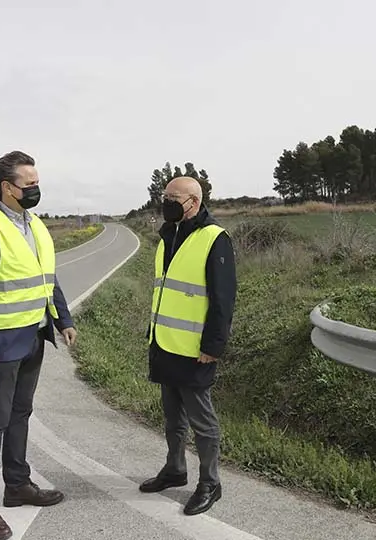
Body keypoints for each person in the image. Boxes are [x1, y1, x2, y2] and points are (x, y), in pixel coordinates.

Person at [0, 150, 77, 540]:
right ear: (7, 187)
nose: (36, 189)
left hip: (34, 336)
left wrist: (63, 318)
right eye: (29, 184)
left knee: (21, 414)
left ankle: (18, 485)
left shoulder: (34, 224)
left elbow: (45, 278)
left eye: (38, 183)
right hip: (0, 344)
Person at [138, 176, 237, 516]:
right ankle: (175, 469)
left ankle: (211, 482)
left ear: (193, 201)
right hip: (165, 343)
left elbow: (224, 300)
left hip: (196, 350)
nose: (166, 201)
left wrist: (213, 345)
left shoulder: (214, 239)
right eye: (164, 195)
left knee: (202, 421)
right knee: (172, 417)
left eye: (173, 197)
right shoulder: (169, 234)